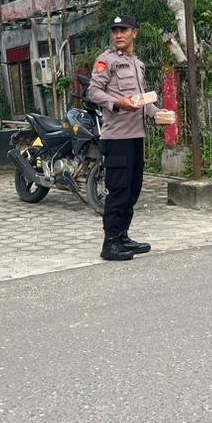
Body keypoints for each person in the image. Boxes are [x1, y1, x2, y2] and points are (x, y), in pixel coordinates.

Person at [86, 14, 173, 262]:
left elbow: (142, 100)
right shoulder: (106, 60)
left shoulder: (138, 64)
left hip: (136, 137)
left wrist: (158, 113)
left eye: (123, 30)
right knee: (118, 191)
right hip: (117, 138)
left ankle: (123, 236)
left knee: (132, 190)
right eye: (115, 31)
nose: (119, 35)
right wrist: (117, 103)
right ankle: (110, 243)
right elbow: (93, 92)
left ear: (135, 33)